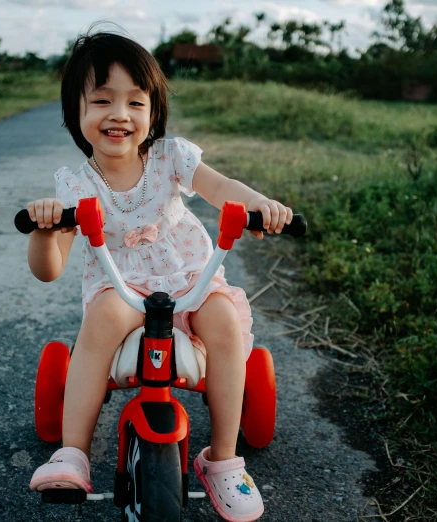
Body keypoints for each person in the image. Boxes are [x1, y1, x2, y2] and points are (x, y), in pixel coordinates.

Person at [25, 30, 292, 522]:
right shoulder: (76, 184)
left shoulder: (170, 157)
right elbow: (50, 270)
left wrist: (256, 204)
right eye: (102, 100)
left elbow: (220, 187)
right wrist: (45, 230)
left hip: (188, 276)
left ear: (153, 112)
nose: (119, 114)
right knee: (104, 315)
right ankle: (73, 454)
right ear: (76, 113)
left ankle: (223, 460)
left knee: (224, 324)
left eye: (135, 102)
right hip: (122, 284)